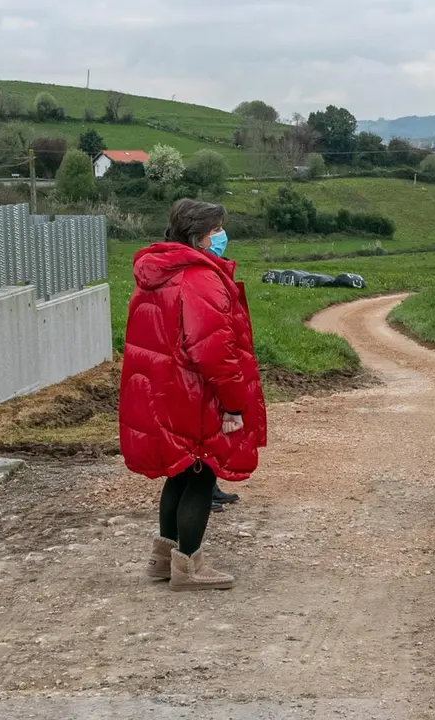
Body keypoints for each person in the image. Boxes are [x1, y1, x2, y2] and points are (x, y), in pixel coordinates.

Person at [119, 199, 267, 591]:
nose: (221, 236)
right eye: (216, 229)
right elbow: (213, 351)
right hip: (195, 396)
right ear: (199, 237)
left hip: (164, 391)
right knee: (202, 473)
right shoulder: (199, 278)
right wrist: (233, 404)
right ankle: (189, 566)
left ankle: (162, 559)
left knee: (180, 472)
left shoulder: (159, 273)